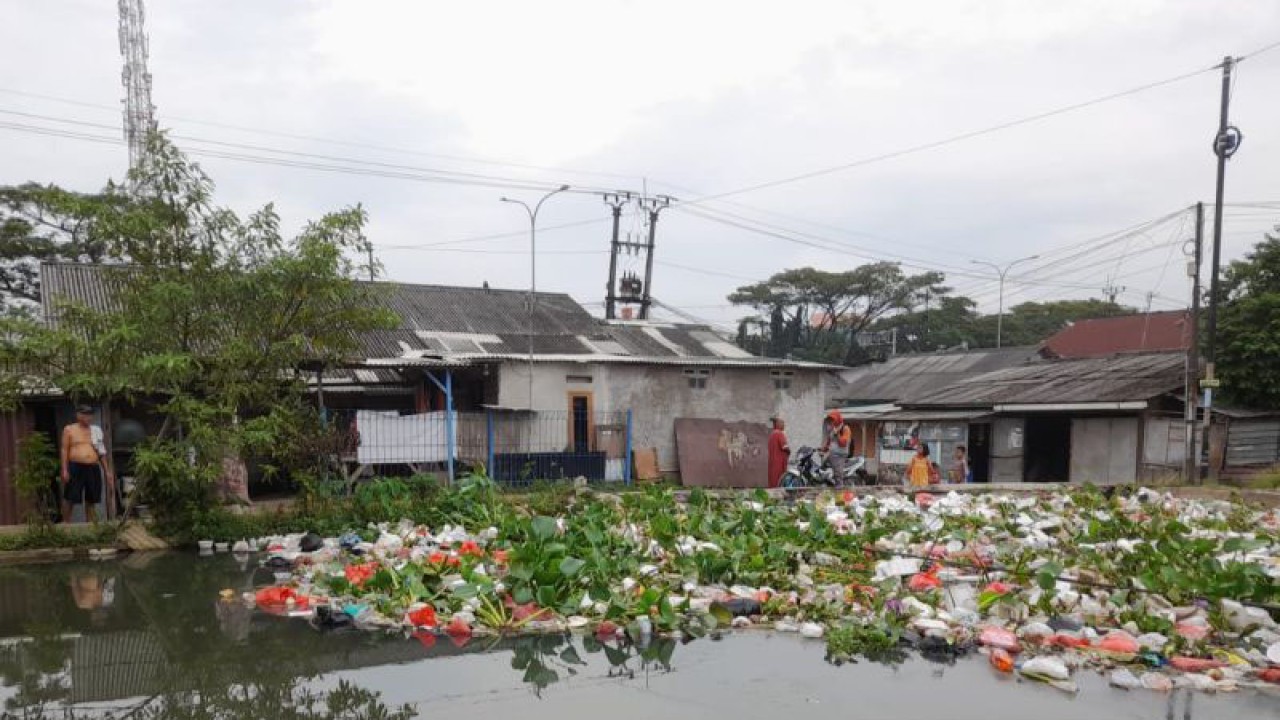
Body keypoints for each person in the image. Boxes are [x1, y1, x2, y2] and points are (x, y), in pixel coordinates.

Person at [61, 405, 113, 524]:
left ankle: (89, 524)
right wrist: (64, 469)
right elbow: (64, 449)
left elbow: (101, 451)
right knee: (70, 497)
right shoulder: (69, 429)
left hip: (93, 466)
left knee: (92, 498)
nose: (88, 418)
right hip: (75, 466)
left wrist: (107, 471)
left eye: (90, 415)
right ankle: (66, 523)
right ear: (78, 415)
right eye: (85, 415)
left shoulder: (95, 430)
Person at [820, 410, 853, 483]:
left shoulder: (845, 428)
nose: (831, 422)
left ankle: (839, 488)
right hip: (832, 454)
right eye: (830, 420)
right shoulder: (832, 429)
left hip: (840, 454)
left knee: (838, 473)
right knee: (825, 470)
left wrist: (837, 434)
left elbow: (843, 443)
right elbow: (829, 442)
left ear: (837, 419)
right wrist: (823, 449)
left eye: (833, 420)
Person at [766, 417, 791, 488]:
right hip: (779, 462)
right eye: (782, 423)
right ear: (778, 424)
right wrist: (789, 451)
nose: (784, 425)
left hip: (772, 462)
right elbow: (785, 447)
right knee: (779, 479)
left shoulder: (772, 435)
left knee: (772, 479)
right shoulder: (780, 434)